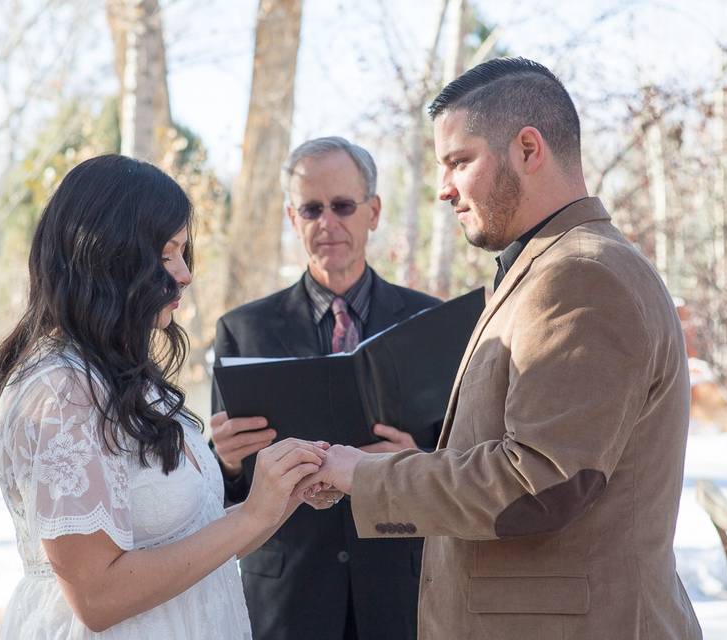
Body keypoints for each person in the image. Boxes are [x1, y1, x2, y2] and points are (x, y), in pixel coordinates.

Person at [301, 59, 702, 639]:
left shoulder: (583, 276)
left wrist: (363, 475)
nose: (443, 189)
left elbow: (539, 481)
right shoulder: (546, 270)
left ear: (528, 150)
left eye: (459, 162)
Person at [0, 154, 336, 639]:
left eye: (183, 253)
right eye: (166, 254)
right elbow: (96, 597)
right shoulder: (61, 390)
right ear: (109, 255)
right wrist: (250, 516)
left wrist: (280, 497)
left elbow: (186, 543)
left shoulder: (127, 380)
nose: (184, 274)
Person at [210, 136, 441, 640]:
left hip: (400, 591)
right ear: (293, 219)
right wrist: (225, 460)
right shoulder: (242, 330)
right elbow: (224, 494)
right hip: (287, 598)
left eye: (342, 205)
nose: (327, 223)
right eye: (311, 208)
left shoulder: (431, 320)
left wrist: (414, 460)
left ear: (373, 212)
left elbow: (466, 456)